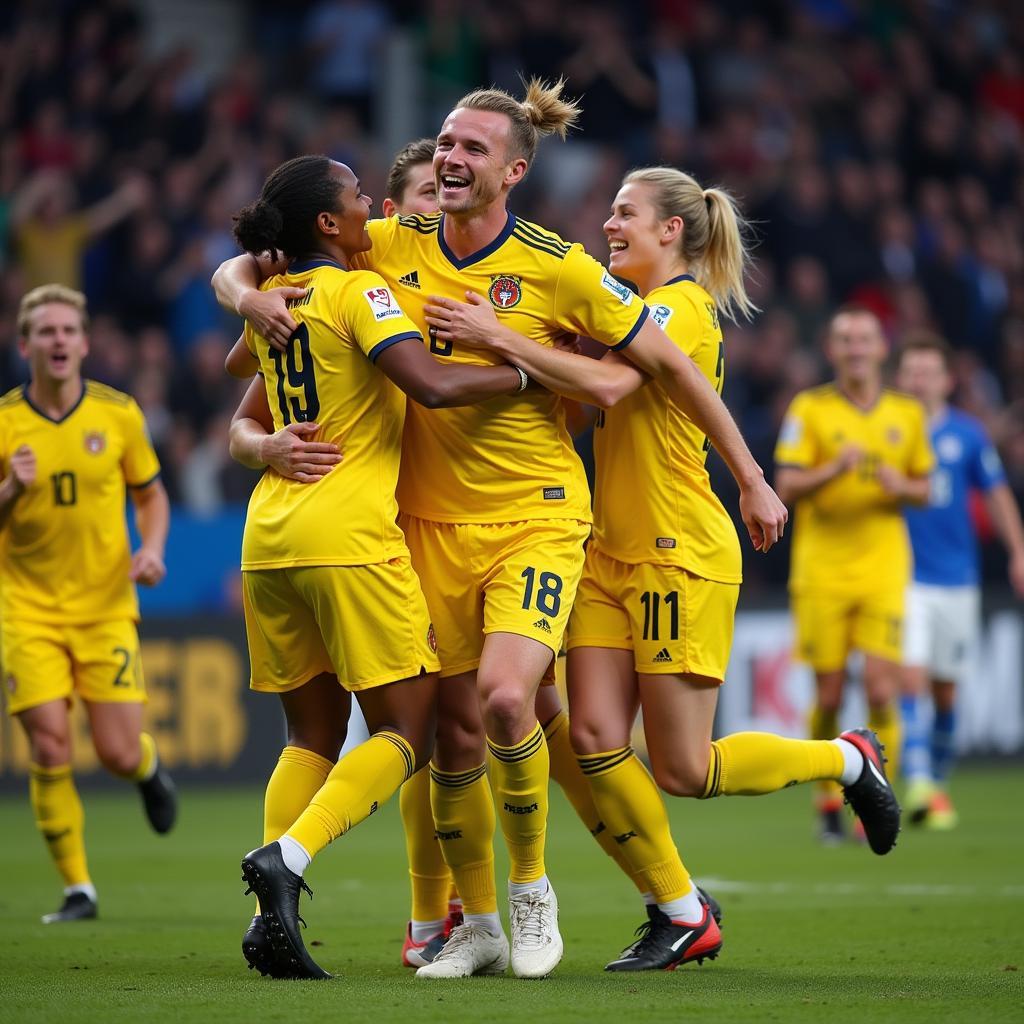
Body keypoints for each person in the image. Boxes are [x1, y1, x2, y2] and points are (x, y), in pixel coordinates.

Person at [214, 79, 786, 980]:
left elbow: (624, 381)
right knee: (451, 735)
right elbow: (268, 255)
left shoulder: (557, 266)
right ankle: (472, 923)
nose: (450, 157)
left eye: (474, 149)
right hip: (426, 526)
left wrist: (750, 475)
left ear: (514, 171)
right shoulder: (388, 244)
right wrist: (241, 290)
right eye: (446, 141)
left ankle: (530, 891)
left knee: (510, 698)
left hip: (537, 518)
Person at [426, 166, 905, 972]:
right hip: (604, 551)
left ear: (671, 230)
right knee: (593, 736)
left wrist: (507, 340)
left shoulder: (679, 310)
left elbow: (612, 387)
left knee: (685, 768)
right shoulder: (623, 314)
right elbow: (579, 399)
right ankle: (678, 910)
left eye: (625, 214)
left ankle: (847, 757)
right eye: (609, 212)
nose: (608, 225)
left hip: (677, 552)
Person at [224, 154, 533, 980]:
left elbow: (239, 414)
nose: (370, 206)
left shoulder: (278, 300)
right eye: (359, 197)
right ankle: (288, 859)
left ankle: (269, 922)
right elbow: (428, 385)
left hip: (270, 537)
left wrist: (243, 302)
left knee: (311, 737)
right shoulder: (360, 292)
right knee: (412, 730)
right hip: (349, 534)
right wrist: (523, 368)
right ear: (328, 223)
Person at [0, 283, 176, 924]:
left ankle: (149, 769)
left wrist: (152, 549)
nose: (58, 341)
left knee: (117, 753)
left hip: (105, 606)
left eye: (68, 331)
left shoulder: (118, 414)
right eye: (45, 331)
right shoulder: (4, 424)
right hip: (26, 608)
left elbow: (151, 495)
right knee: (49, 745)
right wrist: (10, 492)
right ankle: (79, 888)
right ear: (25, 345)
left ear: (84, 342)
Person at [774, 306, 934, 842]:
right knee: (828, 696)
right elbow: (787, 485)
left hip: (884, 567)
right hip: (821, 570)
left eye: (864, 338)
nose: (855, 347)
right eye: (845, 339)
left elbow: (926, 488)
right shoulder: (810, 408)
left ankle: (876, 797)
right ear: (832, 350)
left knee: (884, 691)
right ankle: (826, 800)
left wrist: (900, 484)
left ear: (881, 348)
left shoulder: (907, 414)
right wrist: (833, 470)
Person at [896, 331, 1024, 828]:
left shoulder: (968, 434)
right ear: (900, 377)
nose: (919, 380)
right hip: (902, 575)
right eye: (911, 371)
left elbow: (996, 495)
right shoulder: (886, 429)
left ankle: (938, 782)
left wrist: (1017, 551)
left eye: (928, 372)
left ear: (947, 381)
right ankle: (920, 781)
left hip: (957, 579)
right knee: (909, 675)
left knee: (945, 691)